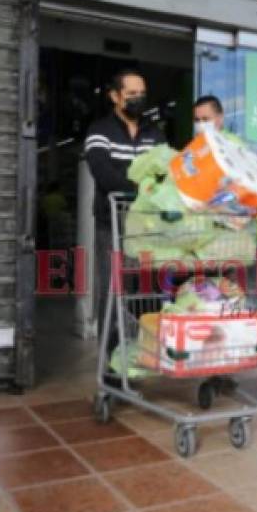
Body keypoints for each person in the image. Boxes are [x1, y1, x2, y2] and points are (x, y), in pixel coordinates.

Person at [84, 70, 165, 381]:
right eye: (131, 93)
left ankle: (146, 351)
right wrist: (141, 189)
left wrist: (150, 190)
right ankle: (113, 362)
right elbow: (103, 173)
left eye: (141, 92)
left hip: (147, 227)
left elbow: (163, 174)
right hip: (112, 224)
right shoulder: (99, 131)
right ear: (115, 96)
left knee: (146, 290)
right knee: (112, 290)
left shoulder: (155, 134)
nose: (137, 99)